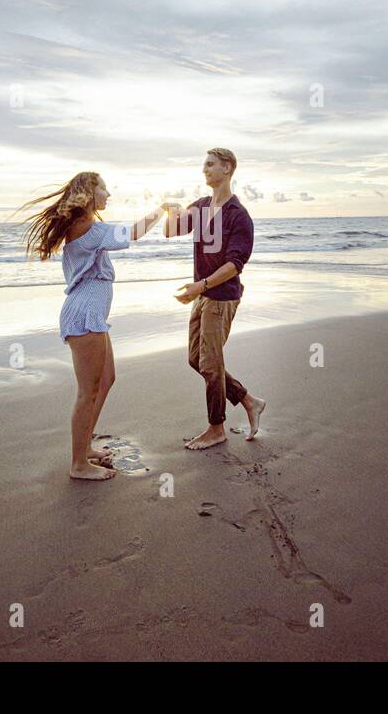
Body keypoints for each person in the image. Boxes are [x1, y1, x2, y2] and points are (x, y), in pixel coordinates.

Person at [19, 172, 170, 480]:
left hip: (91, 314)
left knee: (106, 380)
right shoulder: (89, 228)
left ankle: (85, 447)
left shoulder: (84, 227)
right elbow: (131, 233)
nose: (108, 194)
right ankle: (78, 464)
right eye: (104, 188)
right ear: (90, 192)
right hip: (85, 314)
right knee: (87, 391)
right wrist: (162, 209)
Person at [163, 148, 266, 450]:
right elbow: (171, 231)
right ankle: (248, 400)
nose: (204, 170)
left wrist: (202, 285)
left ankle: (216, 428)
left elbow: (235, 264)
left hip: (221, 297)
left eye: (210, 165)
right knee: (196, 359)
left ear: (228, 168)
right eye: (204, 165)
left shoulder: (239, 216)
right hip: (203, 294)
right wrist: (170, 209)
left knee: (210, 362)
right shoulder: (201, 207)